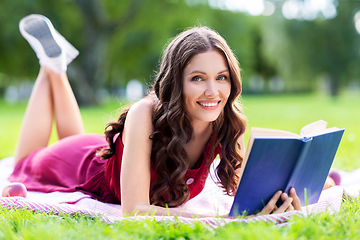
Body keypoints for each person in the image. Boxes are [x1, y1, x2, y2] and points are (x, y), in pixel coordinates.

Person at [8, 14, 301, 217]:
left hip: (96, 153)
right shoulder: (144, 113)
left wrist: (286, 196)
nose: (213, 91)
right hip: (76, 166)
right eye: (198, 78)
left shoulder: (225, 122)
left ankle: (54, 64)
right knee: (23, 164)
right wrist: (223, 222)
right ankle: (52, 67)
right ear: (176, 82)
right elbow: (134, 209)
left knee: (74, 137)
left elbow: (246, 191)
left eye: (221, 77)